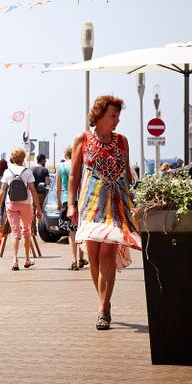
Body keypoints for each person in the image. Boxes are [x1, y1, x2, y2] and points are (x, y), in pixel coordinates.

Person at [67, 95, 142, 331]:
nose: (117, 120)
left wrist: (136, 201)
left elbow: (128, 175)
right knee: (94, 257)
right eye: (113, 115)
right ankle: (104, 300)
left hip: (116, 206)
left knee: (107, 254)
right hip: (90, 205)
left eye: (118, 115)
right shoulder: (82, 139)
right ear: (99, 115)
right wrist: (71, 204)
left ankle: (102, 309)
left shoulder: (122, 141)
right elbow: (74, 174)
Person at [0, 147, 46, 271]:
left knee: (15, 232)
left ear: (12, 158)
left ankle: (15, 260)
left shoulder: (7, 172)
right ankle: (27, 260)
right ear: (23, 158)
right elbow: (33, 191)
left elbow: (2, 191)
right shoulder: (27, 172)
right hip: (26, 204)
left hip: (11, 204)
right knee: (27, 231)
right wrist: (39, 209)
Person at [56, 146, 86, 271]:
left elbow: (58, 188)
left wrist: (59, 202)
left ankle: (74, 260)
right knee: (81, 229)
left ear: (65, 154)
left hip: (66, 200)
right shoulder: (80, 166)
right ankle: (81, 258)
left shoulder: (60, 167)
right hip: (80, 200)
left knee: (72, 231)